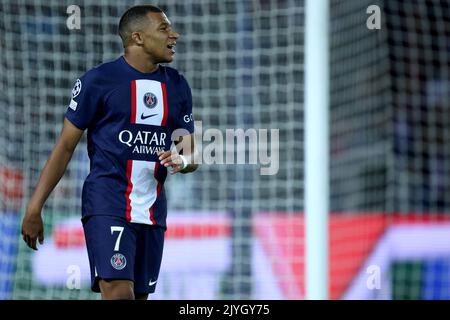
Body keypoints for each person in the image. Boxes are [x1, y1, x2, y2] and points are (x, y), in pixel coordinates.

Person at [21, 4, 198, 300]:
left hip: (152, 211)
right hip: (107, 202)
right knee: (118, 294)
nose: (174, 35)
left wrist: (184, 159)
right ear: (138, 38)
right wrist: (34, 207)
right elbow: (65, 146)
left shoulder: (178, 85)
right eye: (164, 28)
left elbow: (191, 154)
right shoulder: (98, 81)